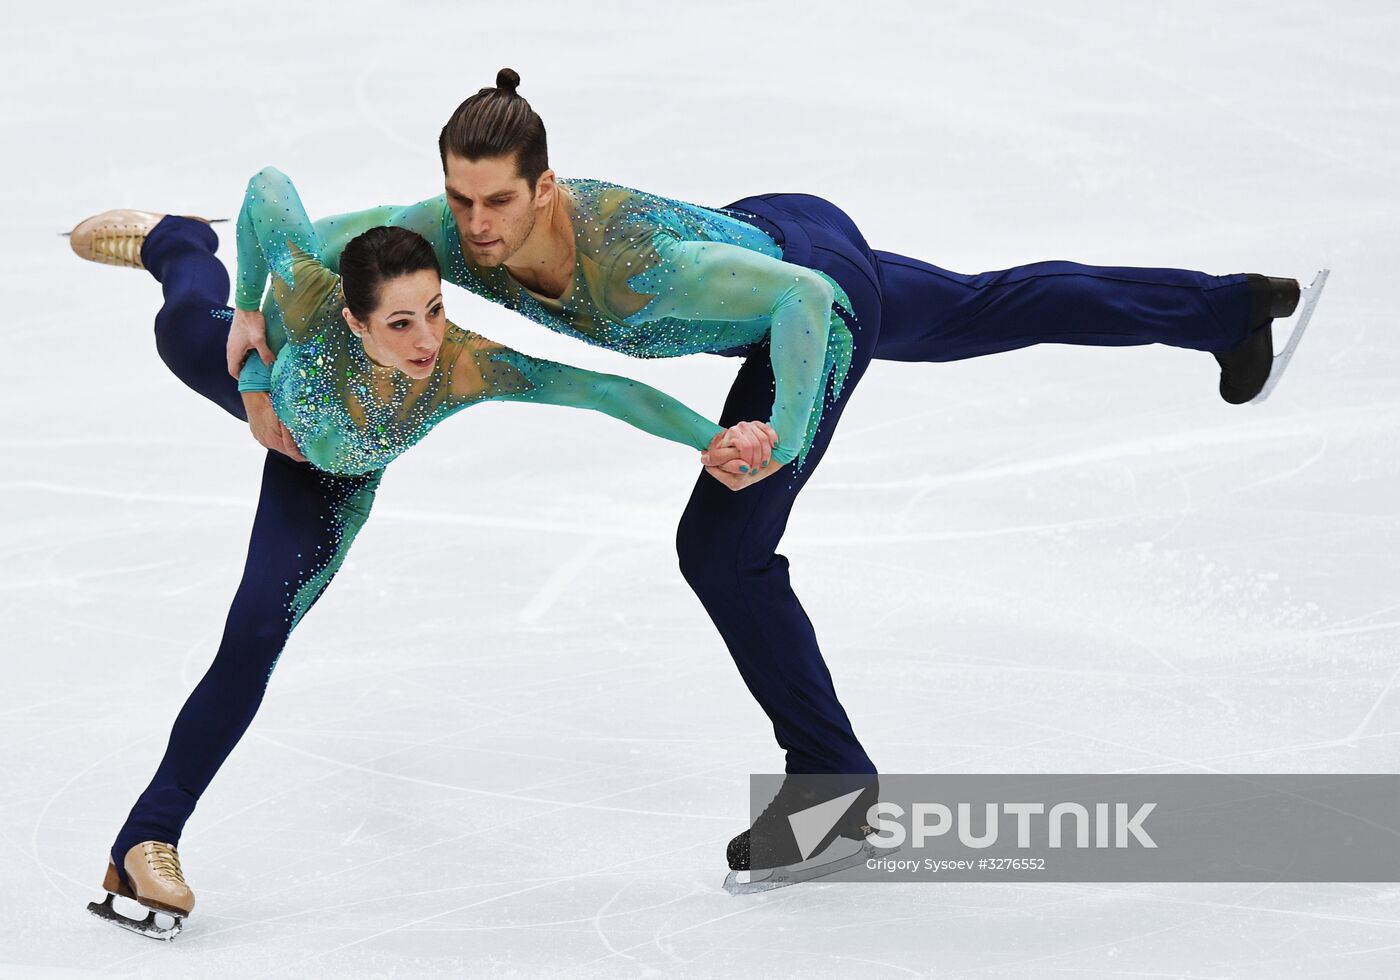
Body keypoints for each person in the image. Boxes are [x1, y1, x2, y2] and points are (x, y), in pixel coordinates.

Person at [226, 68, 1320, 886]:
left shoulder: (635, 264)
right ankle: (1230, 308)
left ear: (545, 186)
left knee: (720, 548)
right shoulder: (454, 235)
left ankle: (830, 782)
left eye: (498, 204)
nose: (474, 229)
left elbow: (802, 302)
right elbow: (306, 245)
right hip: (778, 231)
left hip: (802, 291)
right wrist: (253, 338)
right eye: (460, 202)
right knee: (982, 308)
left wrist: (783, 433)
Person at [70, 176, 771, 938]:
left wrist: (708, 439)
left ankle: (147, 838)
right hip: (255, 364)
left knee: (257, 633)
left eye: (434, 310)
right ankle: (175, 241)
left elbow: (598, 390)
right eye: (400, 323)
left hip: (328, 483)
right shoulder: (307, 298)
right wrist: (252, 352)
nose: (427, 340)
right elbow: (267, 191)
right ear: (355, 321)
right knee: (181, 321)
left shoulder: (462, 365)